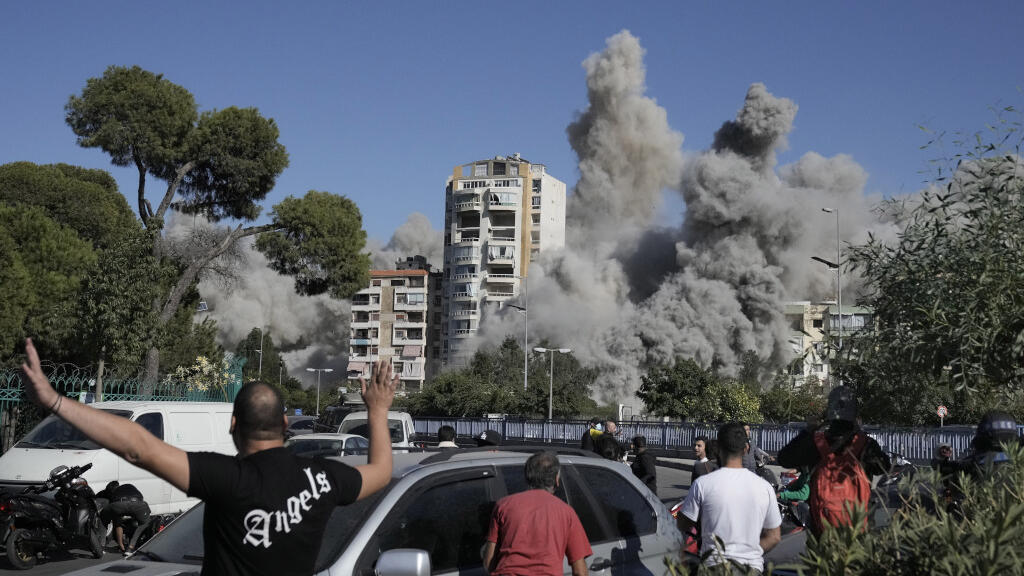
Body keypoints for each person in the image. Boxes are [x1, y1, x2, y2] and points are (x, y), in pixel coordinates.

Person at [19, 338, 397, 576]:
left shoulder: (226, 478)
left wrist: (55, 401)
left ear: (233, 425)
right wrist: (377, 411)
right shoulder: (323, 478)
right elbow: (381, 472)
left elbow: (139, 446)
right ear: (285, 423)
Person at [777, 387, 889, 535]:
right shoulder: (865, 445)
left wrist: (809, 430)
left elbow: (784, 458)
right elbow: (884, 467)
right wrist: (859, 431)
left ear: (829, 412)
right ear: (855, 414)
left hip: (824, 531)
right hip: (857, 528)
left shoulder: (815, 444)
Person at [678, 422, 781, 574]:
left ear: (718, 448)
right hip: (751, 568)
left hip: (713, 567)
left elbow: (683, 524)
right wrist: (749, 552)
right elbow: (774, 537)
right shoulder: (764, 487)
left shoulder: (703, 484)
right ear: (746, 449)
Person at [483, 451, 592, 576]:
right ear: (557, 479)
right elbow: (580, 571)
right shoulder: (566, 513)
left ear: (527, 477)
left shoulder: (503, 506)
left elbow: (489, 562)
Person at [97, 480, 151, 553]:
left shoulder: (110, 493)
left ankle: (101, 546)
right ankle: (130, 547)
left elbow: (117, 522)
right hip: (137, 504)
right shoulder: (129, 487)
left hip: (118, 505)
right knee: (145, 522)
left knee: (104, 518)